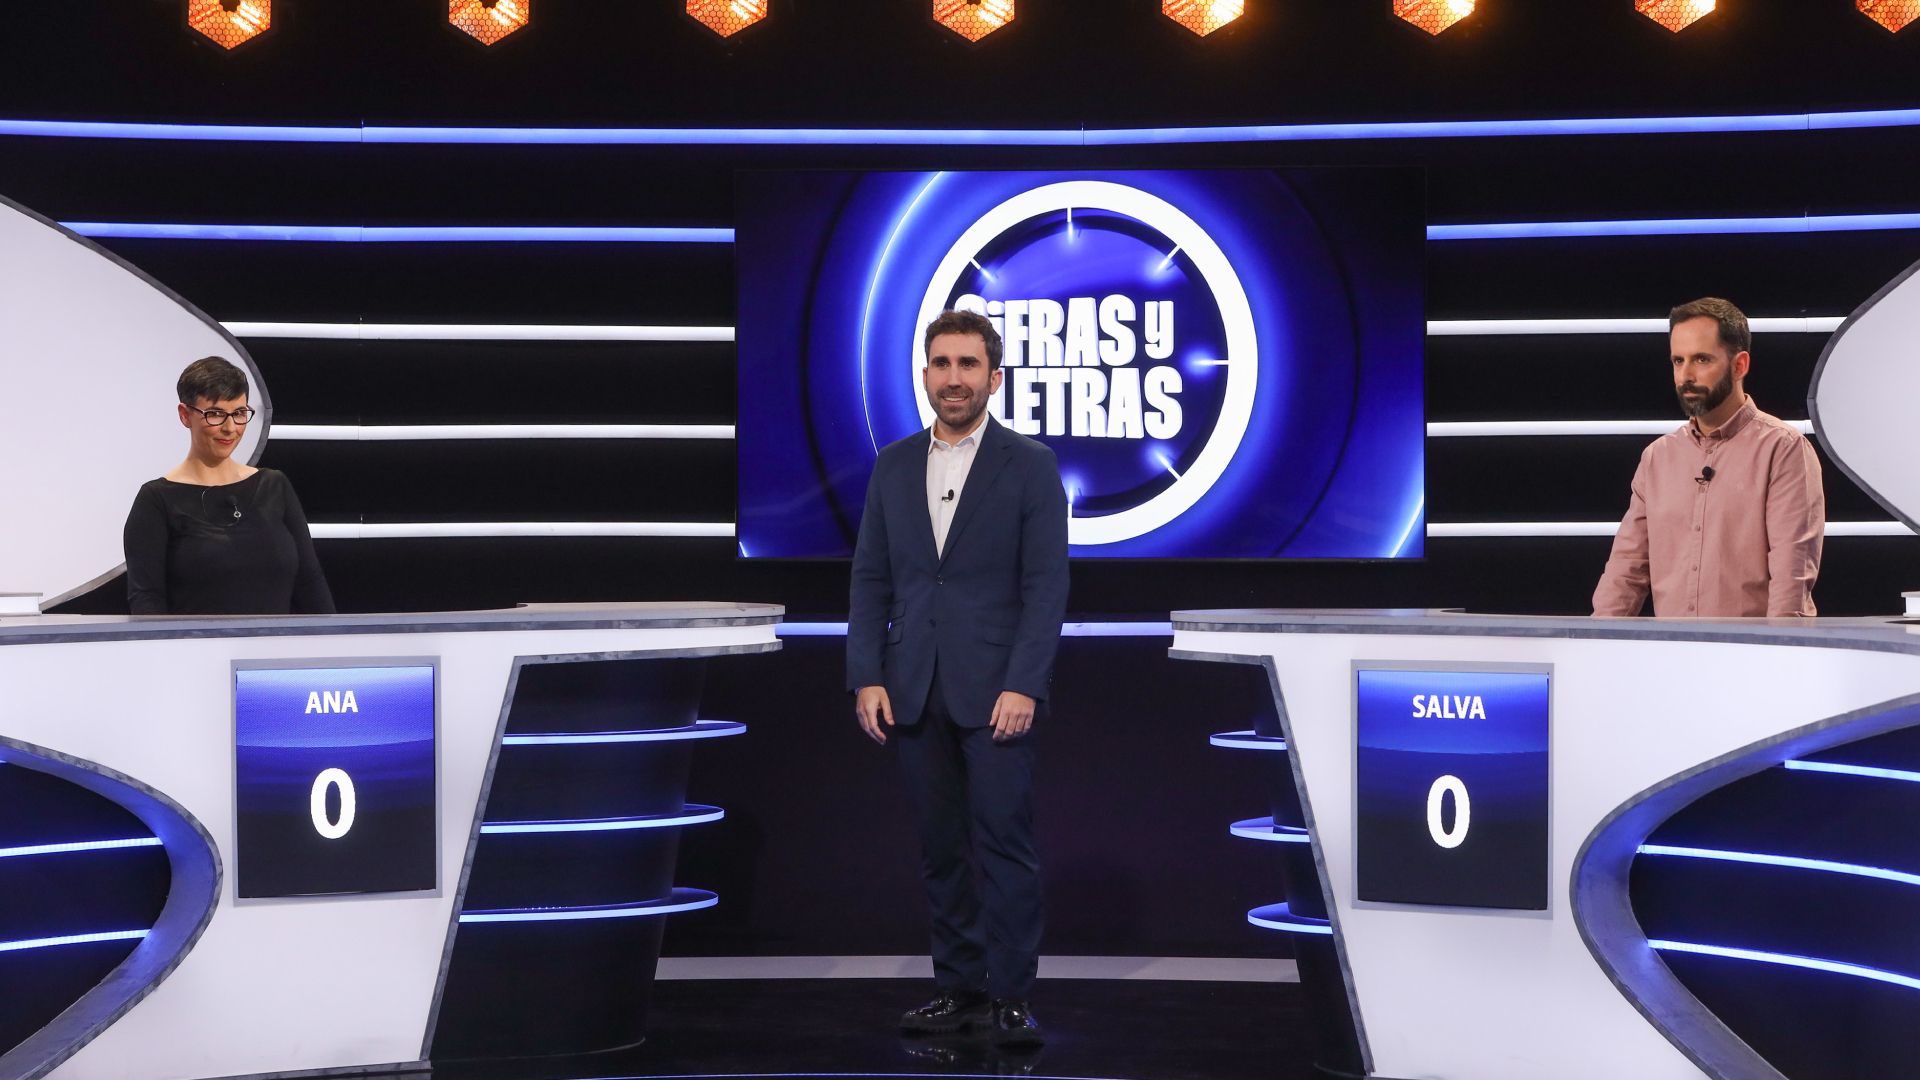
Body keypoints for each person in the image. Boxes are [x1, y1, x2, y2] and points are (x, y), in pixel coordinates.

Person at [847, 309, 1069, 1047]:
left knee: (1004, 846)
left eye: (968, 364)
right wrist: (866, 673)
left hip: (997, 689)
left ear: (994, 378)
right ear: (924, 375)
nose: (953, 378)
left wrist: (1025, 683)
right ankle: (959, 990)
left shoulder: (1029, 465)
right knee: (940, 849)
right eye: (941, 364)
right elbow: (871, 578)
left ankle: (1011, 997)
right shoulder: (893, 464)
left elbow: (1046, 586)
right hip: (912, 685)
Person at [1593, 297, 1823, 618]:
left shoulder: (1783, 449)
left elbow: (1791, 580)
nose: (1685, 375)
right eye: (1678, 361)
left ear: (1739, 365)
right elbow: (1626, 570)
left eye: (1701, 359)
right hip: (1673, 647)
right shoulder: (1657, 458)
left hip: (1752, 648)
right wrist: (1597, 639)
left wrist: (1780, 649)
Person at [123, 356, 335, 615]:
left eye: (239, 413)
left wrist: (333, 638)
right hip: (196, 643)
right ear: (185, 415)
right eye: (215, 414)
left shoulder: (274, 486)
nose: (230, 428)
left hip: (275, 642)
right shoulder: (156, 500)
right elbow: (147, 601)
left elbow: (310, 584)